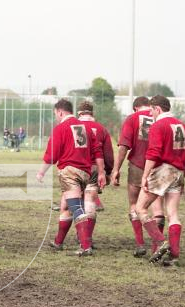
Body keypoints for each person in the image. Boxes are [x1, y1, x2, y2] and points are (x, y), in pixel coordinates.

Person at [37, 99, 106, 256]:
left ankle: (85, 245)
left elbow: (51, 155)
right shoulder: (86, 128)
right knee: (66, 206)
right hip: (85, 173)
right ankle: (58, 242)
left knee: (75, 207)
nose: (56, 117)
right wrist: (101, 172)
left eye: (56, 114)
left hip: (69, 172)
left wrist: (41, 172)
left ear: (60, 112)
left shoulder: (61, 128)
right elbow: (97, 152)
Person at [135, 95, 185, 267]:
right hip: (178, 172)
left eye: (151, 110)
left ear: (157, 109)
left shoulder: (158, 125)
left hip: (163, 172)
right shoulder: (183, 126)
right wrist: (183, 177)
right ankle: (174, 257)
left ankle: (161, 242)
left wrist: (145, 176)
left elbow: (153, 153)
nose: (150, 114)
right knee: (173, 214)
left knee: (140, 208)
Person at [110, 96, 166, 257]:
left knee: (134, 204)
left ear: (135, 108)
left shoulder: (132, 118)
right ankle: (157, 247)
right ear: (150, 106)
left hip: (138, 165)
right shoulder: (160, 118)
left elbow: (124, 147)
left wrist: (116, 169)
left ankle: (140, 244)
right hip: (159, 167)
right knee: (157, 207)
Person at [76, 101, 114, 248]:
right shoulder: (101, 129)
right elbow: (108, 154)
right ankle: (88, 239)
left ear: (79, 113)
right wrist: (108, 171)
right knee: (90, 203)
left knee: (77, 203)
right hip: (94, 168)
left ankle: (81, 237)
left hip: (77, 168)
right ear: (92, 113)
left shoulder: (74, 127)